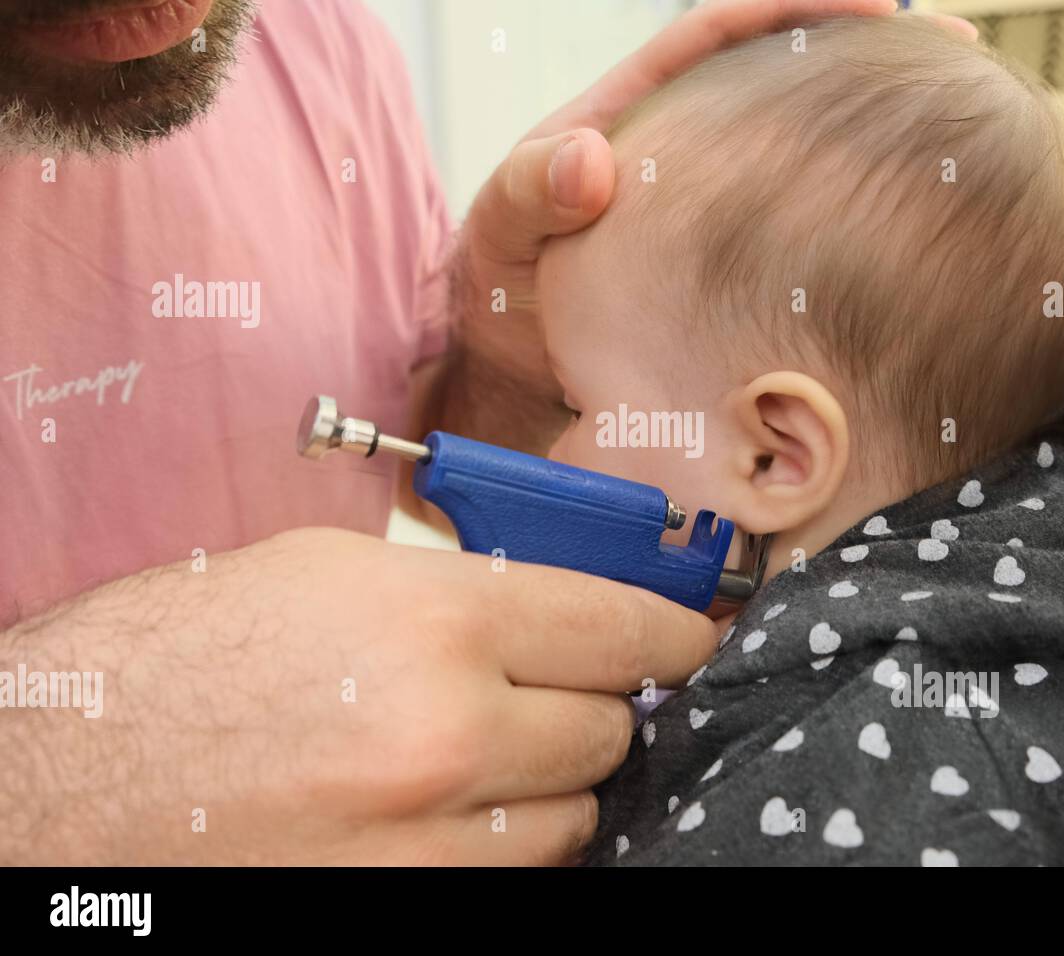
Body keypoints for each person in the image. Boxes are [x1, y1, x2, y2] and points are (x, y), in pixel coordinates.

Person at [0, 0, 923, 865]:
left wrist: (505, 370)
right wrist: (57, 782)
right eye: (574, 405)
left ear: (776, 453)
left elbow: (416, 427)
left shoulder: (316, 34)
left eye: (579, 403)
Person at [534, 15, 1064, 864]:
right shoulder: (967, 607)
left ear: (775, 455)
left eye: (573, 405)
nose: (551, 453)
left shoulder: (907, 786)